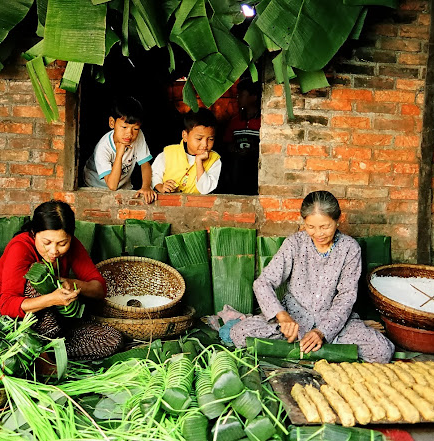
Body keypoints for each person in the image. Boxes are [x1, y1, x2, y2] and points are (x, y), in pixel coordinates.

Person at [230, 191, 395, 363]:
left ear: (338, 220)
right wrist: (282, 317)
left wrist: (322, 332)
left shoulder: (350, 249)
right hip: (295, 320)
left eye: (325, 226)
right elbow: (263, 282)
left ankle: (318, 342)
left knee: (382, 352)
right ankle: (324, 348)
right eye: (311, 227)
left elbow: (346, 298)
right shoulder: (294, 244)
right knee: (239, 334)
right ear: (304, 222)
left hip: (333, 321)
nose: (318, 234)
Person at [0, 200, 124, 360]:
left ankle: (42, 353)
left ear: (70, 237)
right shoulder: (20, 247)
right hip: (7, 324)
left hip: (53, 326)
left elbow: (99, 289)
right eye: (46, 243)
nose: (54, 251)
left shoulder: (73, 246)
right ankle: (33, 351)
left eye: (62, 243)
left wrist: (69, 283)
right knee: (37, 280)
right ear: (34, 233)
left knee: (112, 339)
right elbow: (7, 305)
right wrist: (52, 299)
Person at [83, 97, 157, 204]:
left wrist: (146, 186)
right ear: (112, 123)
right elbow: (112, 186)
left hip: (123, 185)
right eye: (124, 127)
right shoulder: (103, 148)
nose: (129, 134)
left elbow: (145, 164)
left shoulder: (138, 136)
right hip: (96, 185)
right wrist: (119, 154)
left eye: (135, 128)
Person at [151, 108, 221, 195]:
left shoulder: (214, 160)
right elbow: (154, 175)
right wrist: (160, 187)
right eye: (199, 138)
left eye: (210, 139)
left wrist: (199, 162)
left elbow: (205, 189)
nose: (205, 144)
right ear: (185, 136)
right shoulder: (168, 153)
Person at [223, 79, 261, 195]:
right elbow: (227, 143)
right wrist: (234, 149)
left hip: (256, 168)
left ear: (253, 97)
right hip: (238, 168)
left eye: (241, 95)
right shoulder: (234, 121)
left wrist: (252, 150)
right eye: (238, 95)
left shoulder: (263, 121)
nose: (238, 98)